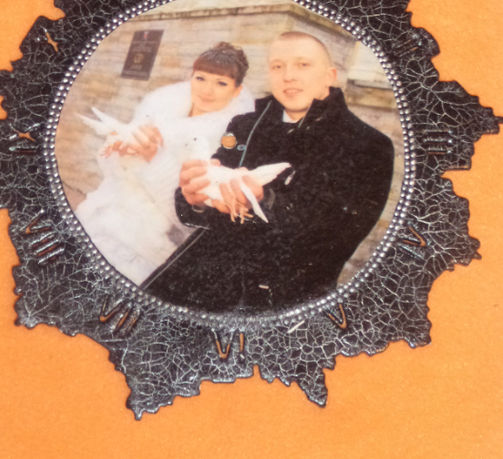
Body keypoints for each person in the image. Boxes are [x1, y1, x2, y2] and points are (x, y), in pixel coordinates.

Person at [143, 32, 395, 312]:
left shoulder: (368, 144)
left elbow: (333, 241)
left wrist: (262, 201)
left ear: (330, 75)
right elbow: (199, 208)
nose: (288, 76)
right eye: (277, 66)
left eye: (302, 65)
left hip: (274, 303)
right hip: (194, 281)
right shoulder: (244, 125)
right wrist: (196, 198)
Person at [74, 42, 254, 285]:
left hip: (141, 243)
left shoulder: (226, 141)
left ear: (237, 90)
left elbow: (189, 220)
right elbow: (112, 170)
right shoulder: (162, 109)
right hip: (99, 216)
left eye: (221, 83)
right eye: (201, 78)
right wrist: (119, 149)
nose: (207, 90)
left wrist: (154, 159)